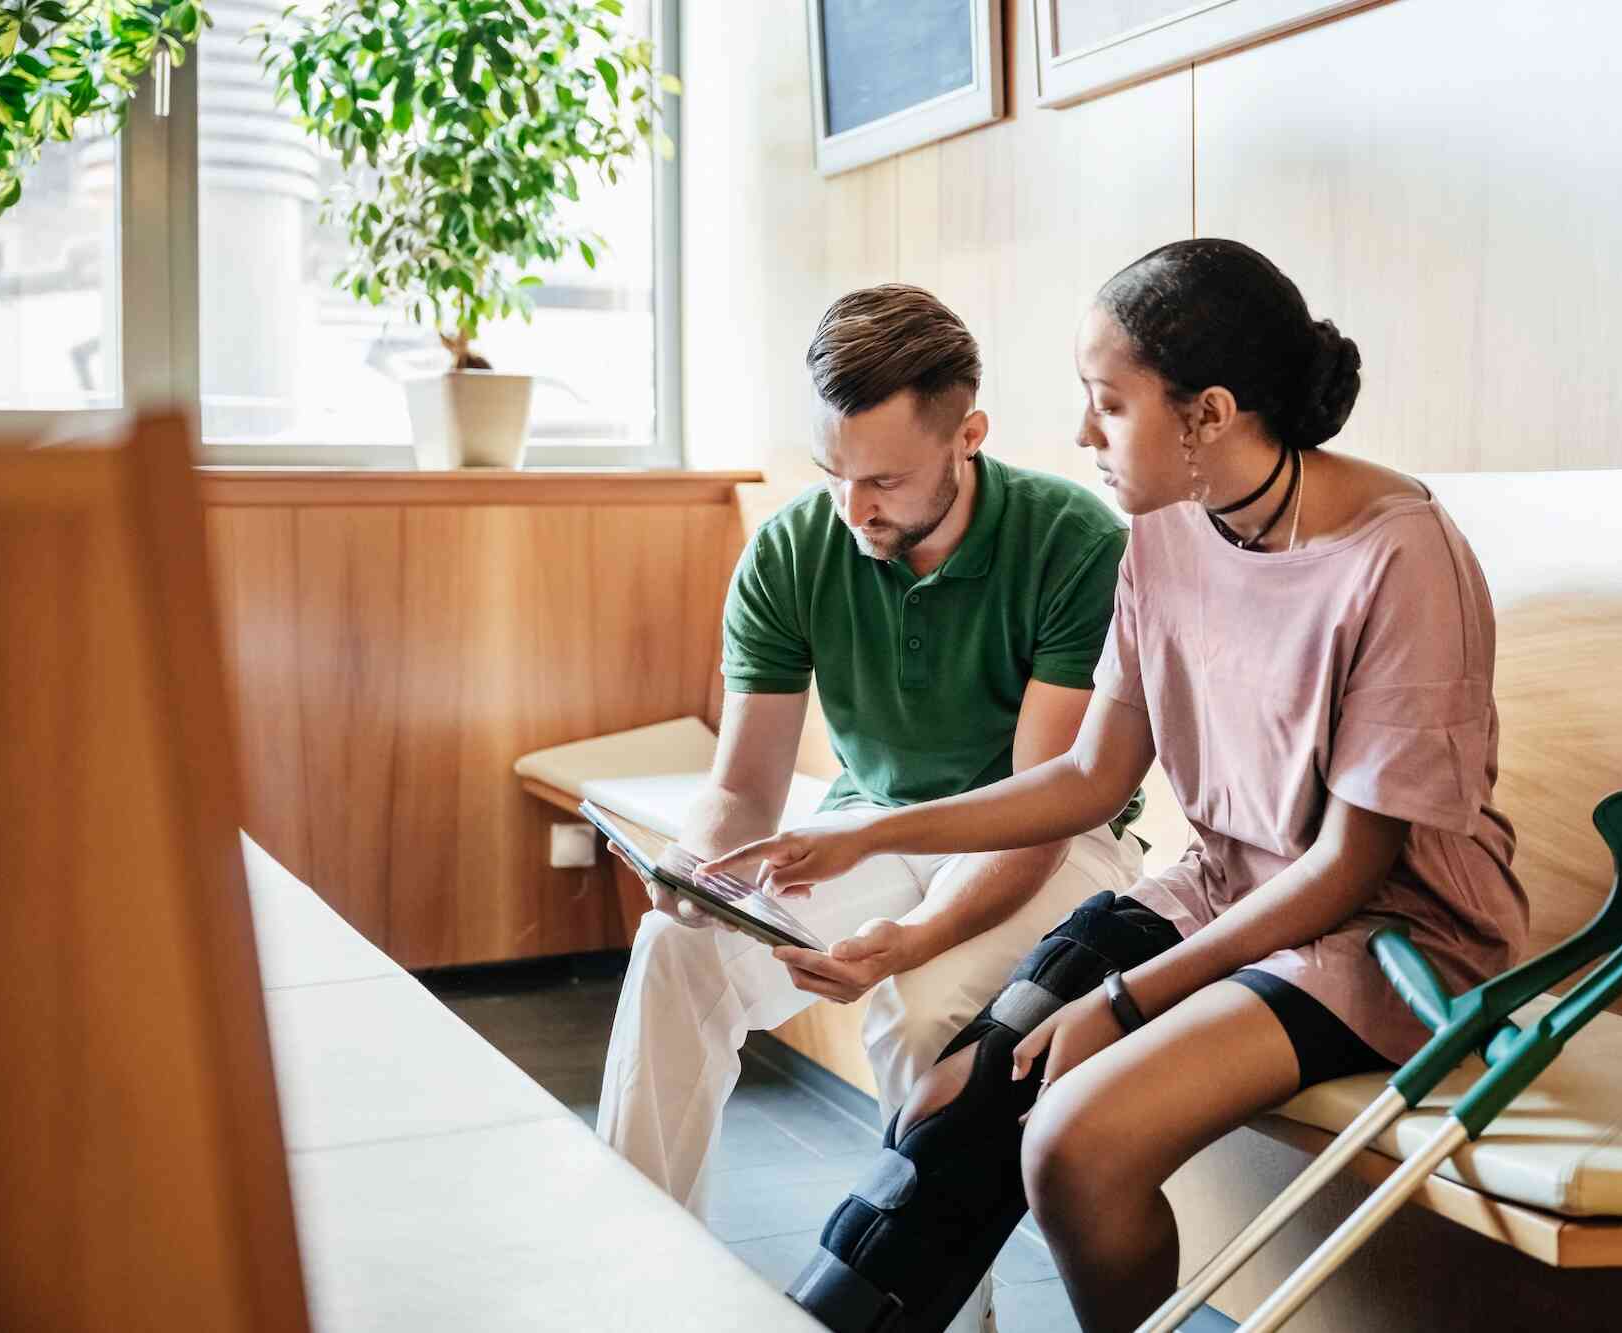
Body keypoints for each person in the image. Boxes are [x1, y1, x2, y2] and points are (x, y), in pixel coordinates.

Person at [707, 240, 1529, 1333]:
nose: (1085, 433)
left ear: (1210, 414)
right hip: (1219, 892)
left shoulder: (1398, 555)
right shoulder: (1163, 536)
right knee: (953, 1099)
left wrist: (1124, 998)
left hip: (1384, 942)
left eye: (1107, 403)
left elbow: (1350, 866)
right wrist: (867, 837)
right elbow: (1090, 774)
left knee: (1069, 1142)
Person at [595, 284, 1145, 1329]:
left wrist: (911, 936)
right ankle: (642, 1284)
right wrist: (705, 875)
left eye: (884, 480)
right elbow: (745, 784)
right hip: (866, 828)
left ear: (966, 436)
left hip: (1050, 844)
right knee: (674, 955)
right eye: (833, 476)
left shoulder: (1071, 541)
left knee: (925, 1002)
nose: (854, 512)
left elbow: (1041, 806)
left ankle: (932, 1313)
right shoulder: (797, 547)